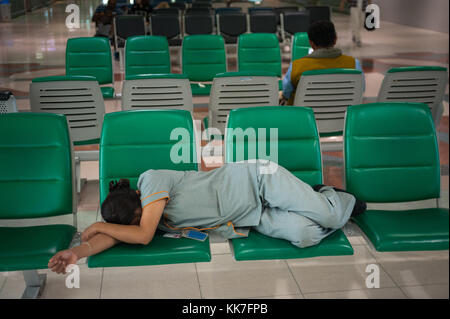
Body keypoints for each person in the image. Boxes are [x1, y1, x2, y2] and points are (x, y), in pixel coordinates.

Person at [48, 160, 366, 274]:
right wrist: (76, 252)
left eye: (134, 219)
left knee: (329, 215)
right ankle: (310, 199)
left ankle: (330, 196)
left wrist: (100, 225)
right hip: (252, 216)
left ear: (138, 205)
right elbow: (117, 235)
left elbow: (141, 234)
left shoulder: (151, 180)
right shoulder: (148, 220)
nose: (139, 225)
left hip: (258, 178)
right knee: (304, 235)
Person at [280, 20, 364, 105]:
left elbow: (286, 93)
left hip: (306, 117)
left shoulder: (296, 67)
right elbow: (361, 89)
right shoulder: (354, 64)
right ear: (335, 39)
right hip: (343, 116)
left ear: (311, 43)